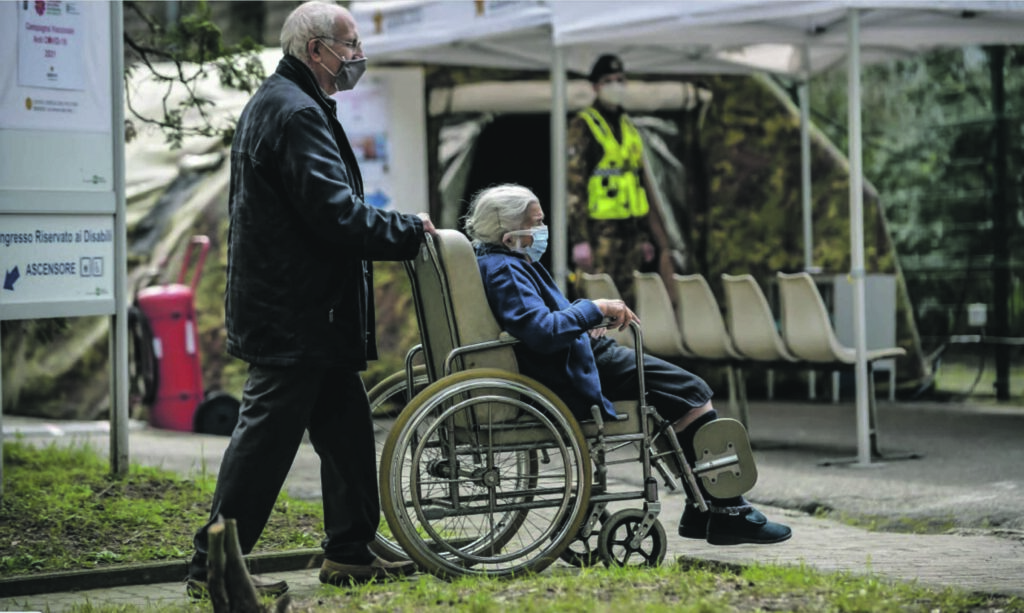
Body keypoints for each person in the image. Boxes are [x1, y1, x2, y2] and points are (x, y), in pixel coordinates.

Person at [186, 1, 435, 598]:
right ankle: (212, 567)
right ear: (315, 49)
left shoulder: (288, 102)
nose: (357, 57)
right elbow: (335, 215)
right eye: (349, 45)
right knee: (266, 440)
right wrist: (407, 229)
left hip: (306, 312)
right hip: (297, 313)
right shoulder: (295, 113)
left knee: (347, 431)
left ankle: (350, 549)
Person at [464, 183, 791, 546]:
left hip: (570, 356)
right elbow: (541, 331)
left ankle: (704, 508)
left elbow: (536, 324)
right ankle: (728, 510)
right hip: (569, 370)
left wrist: (582, 324)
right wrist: (596, 309)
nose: (543, 232)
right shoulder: (506, 270)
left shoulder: (498, 263)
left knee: (672, 398)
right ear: (510, 236)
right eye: (536, 224)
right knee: (691, 393)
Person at [567, 53, 681, 307]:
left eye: (620, 79)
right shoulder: (584, 125)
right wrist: (580, 240)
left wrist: (645, 235)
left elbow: (639, 185)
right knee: (597, 302)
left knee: (627, 305)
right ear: (596, 86)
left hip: (630, 232)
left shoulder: (628, 125)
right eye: (608, 80)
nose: (615, 86)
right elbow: (574, 188)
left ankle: (626, 347)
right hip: (600, 233)